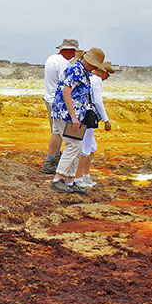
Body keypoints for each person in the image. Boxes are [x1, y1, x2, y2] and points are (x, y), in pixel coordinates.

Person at [50, 47, 106, 195]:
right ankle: (58, 178)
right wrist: (74, 117)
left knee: (77, 145)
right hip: (66, 115)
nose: (95, 68)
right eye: (94, 65)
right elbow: (66, 92)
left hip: (75, 117)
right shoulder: (76, 70)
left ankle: (70, 180)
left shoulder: (84, 72)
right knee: (73, 145)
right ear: (88, 61)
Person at [41, 39, 82, 174]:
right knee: (58, 132)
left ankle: (55, 158)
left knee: (56, 131)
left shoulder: (51, 59)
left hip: (50, 98)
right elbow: (66, 85)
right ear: (69, 50)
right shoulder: (63, 63)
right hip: (57, 101)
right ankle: (51, 161)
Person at [74, 59, 114, 188]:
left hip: (81, 114)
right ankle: (78, 178)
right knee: (85, 148)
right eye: (108, 74)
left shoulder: (88, 78)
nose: (107, 78)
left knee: (91, 147)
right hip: (87, 116)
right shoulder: (96, 80)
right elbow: (97, 101)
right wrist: (106, 119)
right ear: (102, 71)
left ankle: (85, 175)